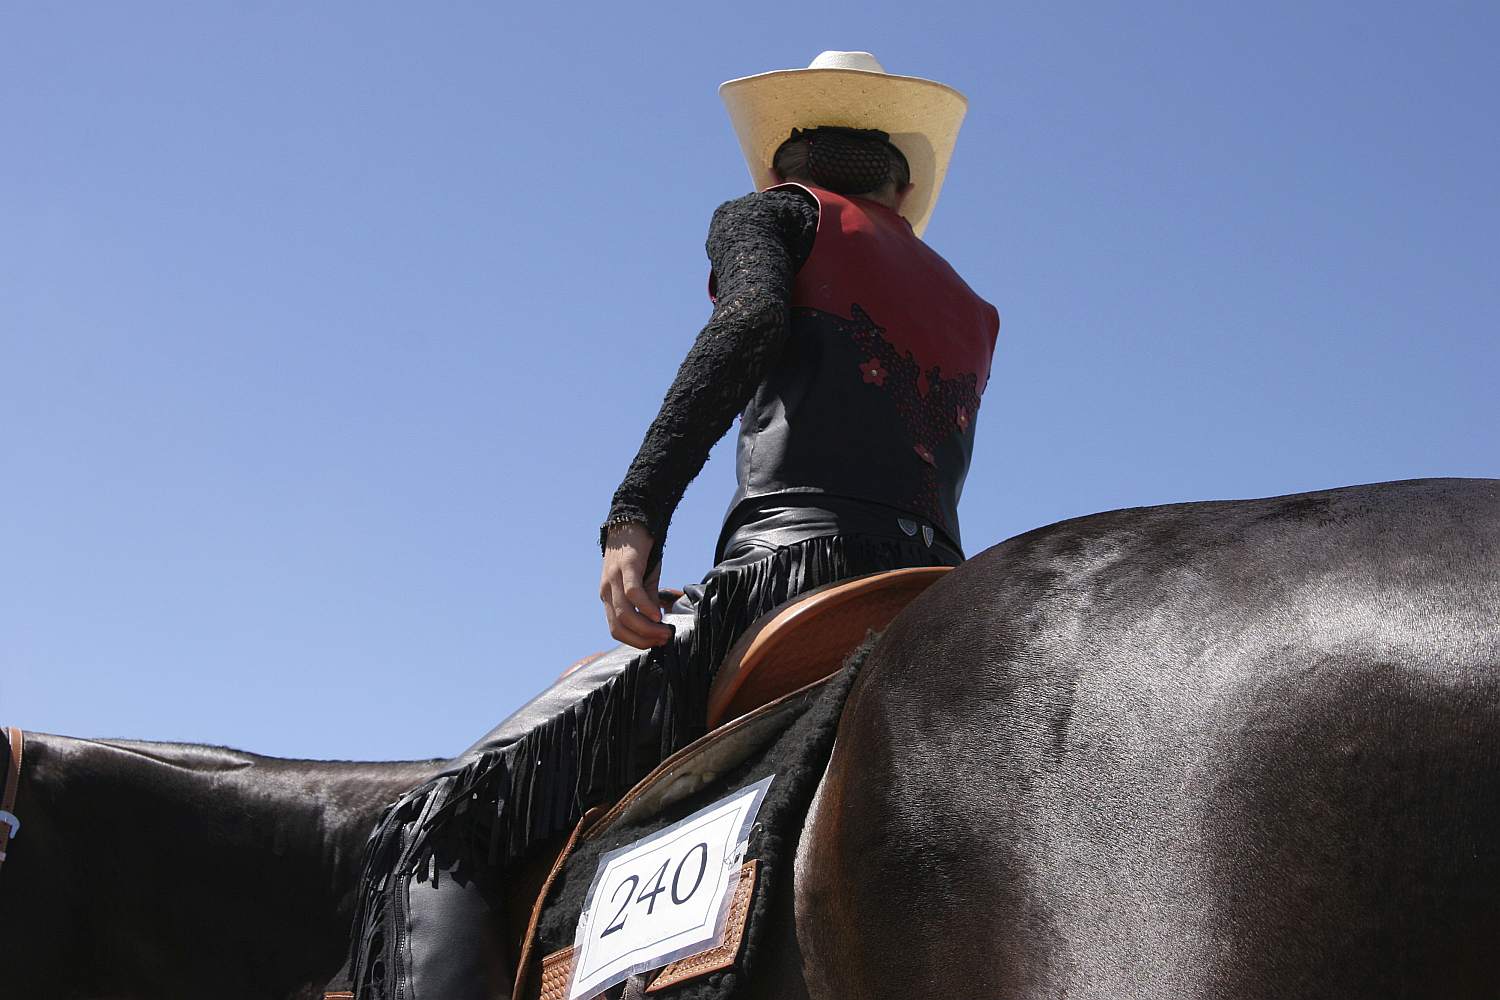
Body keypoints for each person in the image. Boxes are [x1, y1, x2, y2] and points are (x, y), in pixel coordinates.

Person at [348, 50, 1000, 1000]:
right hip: (928, 594)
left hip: (791, 578)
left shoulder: (773, 215)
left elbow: (742, 328)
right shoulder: (972, 307)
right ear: (901, 181)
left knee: (441, 820)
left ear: (787, 167)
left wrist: (634, 513)